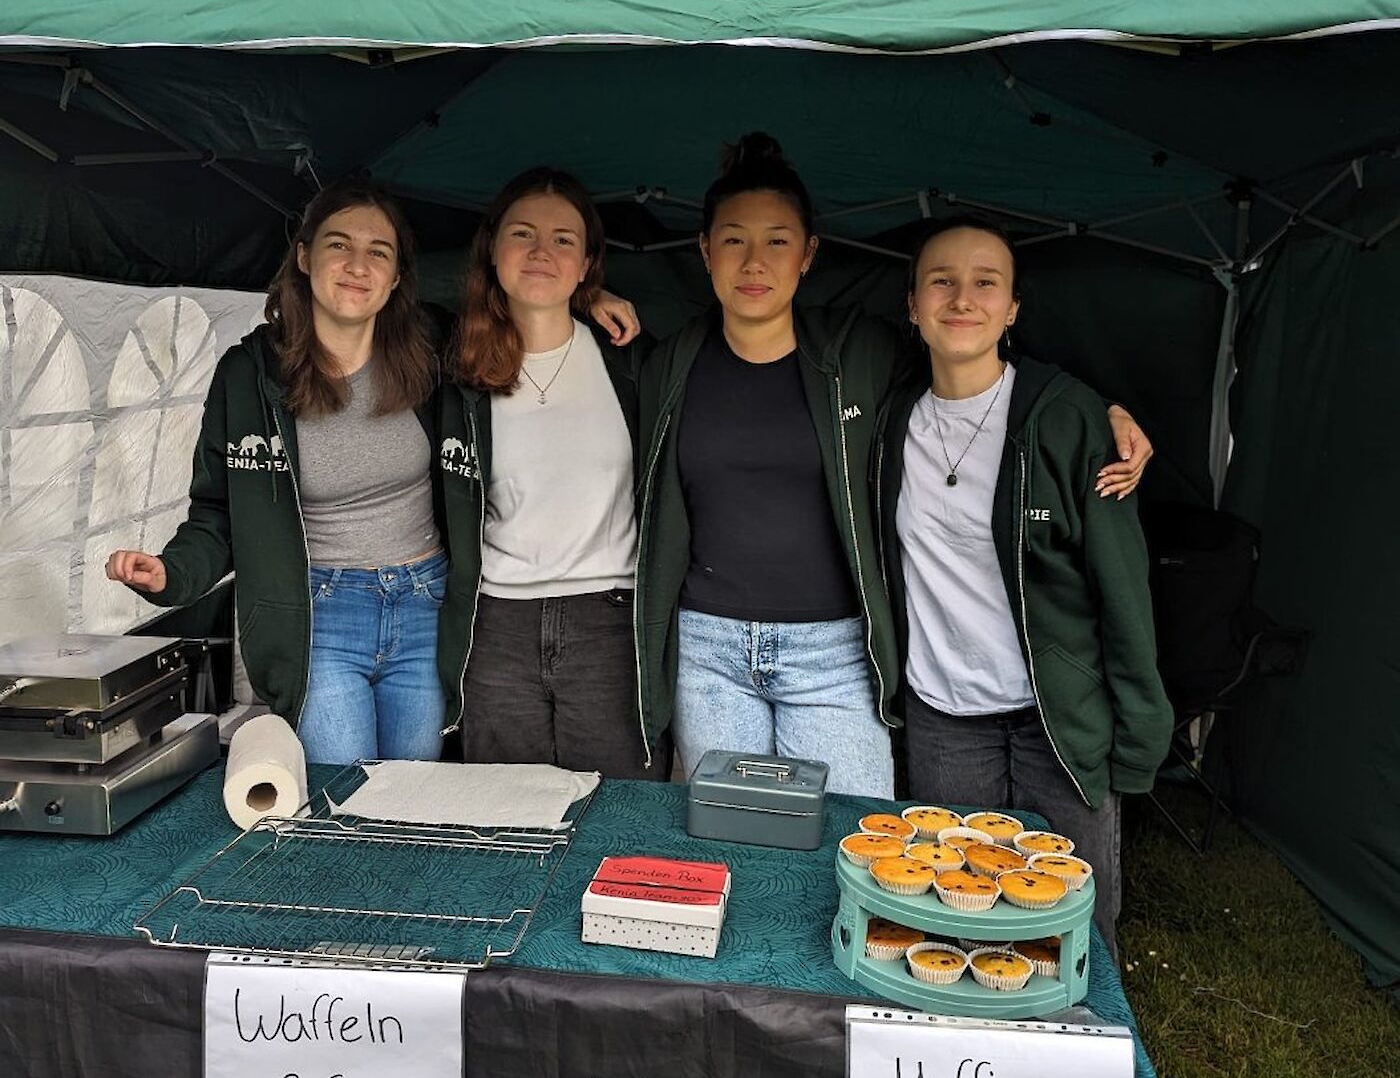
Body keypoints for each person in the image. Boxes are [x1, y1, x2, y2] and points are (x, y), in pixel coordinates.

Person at [634, 135, 1155, 801]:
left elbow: (971, 364)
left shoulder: (861, 352)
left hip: (835, 650)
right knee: (734, 830)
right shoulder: (668, 365)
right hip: (708, 647)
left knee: (854, 838)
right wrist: (592, 300)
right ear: (706, 251)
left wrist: (1101, 410)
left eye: (777, 241)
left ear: (809, 254)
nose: (754, 262)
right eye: (734, 240)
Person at [878, 219, 1173, 948]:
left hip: (1057, 717)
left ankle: (1081, 1022)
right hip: (944, 717)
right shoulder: (888, 419)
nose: (962, 298)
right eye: (941, 281)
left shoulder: (1069, 419)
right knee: (957, 918)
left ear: (1012, 308)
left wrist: (1139, 733)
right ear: (912, 304)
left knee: (1070, 926)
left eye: (986, 283)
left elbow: (1122, 589)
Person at [106, 180, 456, 766]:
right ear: (304, 256)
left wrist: (594, 301)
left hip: (426, 602)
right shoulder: (249, 375)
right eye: (339, 245)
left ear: (396, 276)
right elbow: (218, 511)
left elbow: (527, 327)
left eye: (379, 252)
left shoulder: (432, 354)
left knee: (415, 789)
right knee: (340, 788)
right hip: (317, 615)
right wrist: (172, 573)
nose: (358, 266)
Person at [436, 167, 661, 777]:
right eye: (523, 234)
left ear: (587, 264)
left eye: (564, 240)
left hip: (611, 622)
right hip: (496, 625)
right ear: (492, 248)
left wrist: (591, 300)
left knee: (618, 808)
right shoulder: (453, 365)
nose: (541, 251)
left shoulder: (632, 360)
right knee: (507, 809)